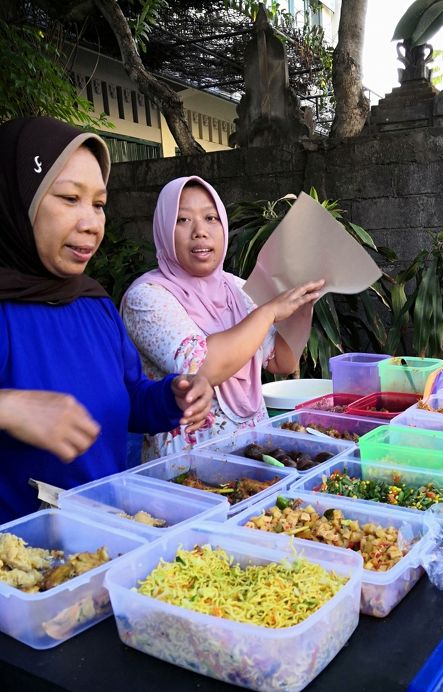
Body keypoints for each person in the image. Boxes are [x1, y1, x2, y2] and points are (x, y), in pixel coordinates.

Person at [0, 117, 214, 524]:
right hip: (22, 568)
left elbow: (130, 398)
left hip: (106, 540)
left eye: (98, 203)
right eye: (68, 198)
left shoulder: (93, 303)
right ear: (15, 200)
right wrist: (9, 408)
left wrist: (173, 395)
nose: (91, 222)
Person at [120, 176, 323, 461]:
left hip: (257, 458)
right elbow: (201, 367)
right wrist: (269, 312)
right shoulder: (146, 297)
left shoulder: (238, 289)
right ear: (164, 229)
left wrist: (302, 305)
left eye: (211, 218)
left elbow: (282, 361)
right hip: (189, 471)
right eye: (183, 220)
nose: (200, 231)